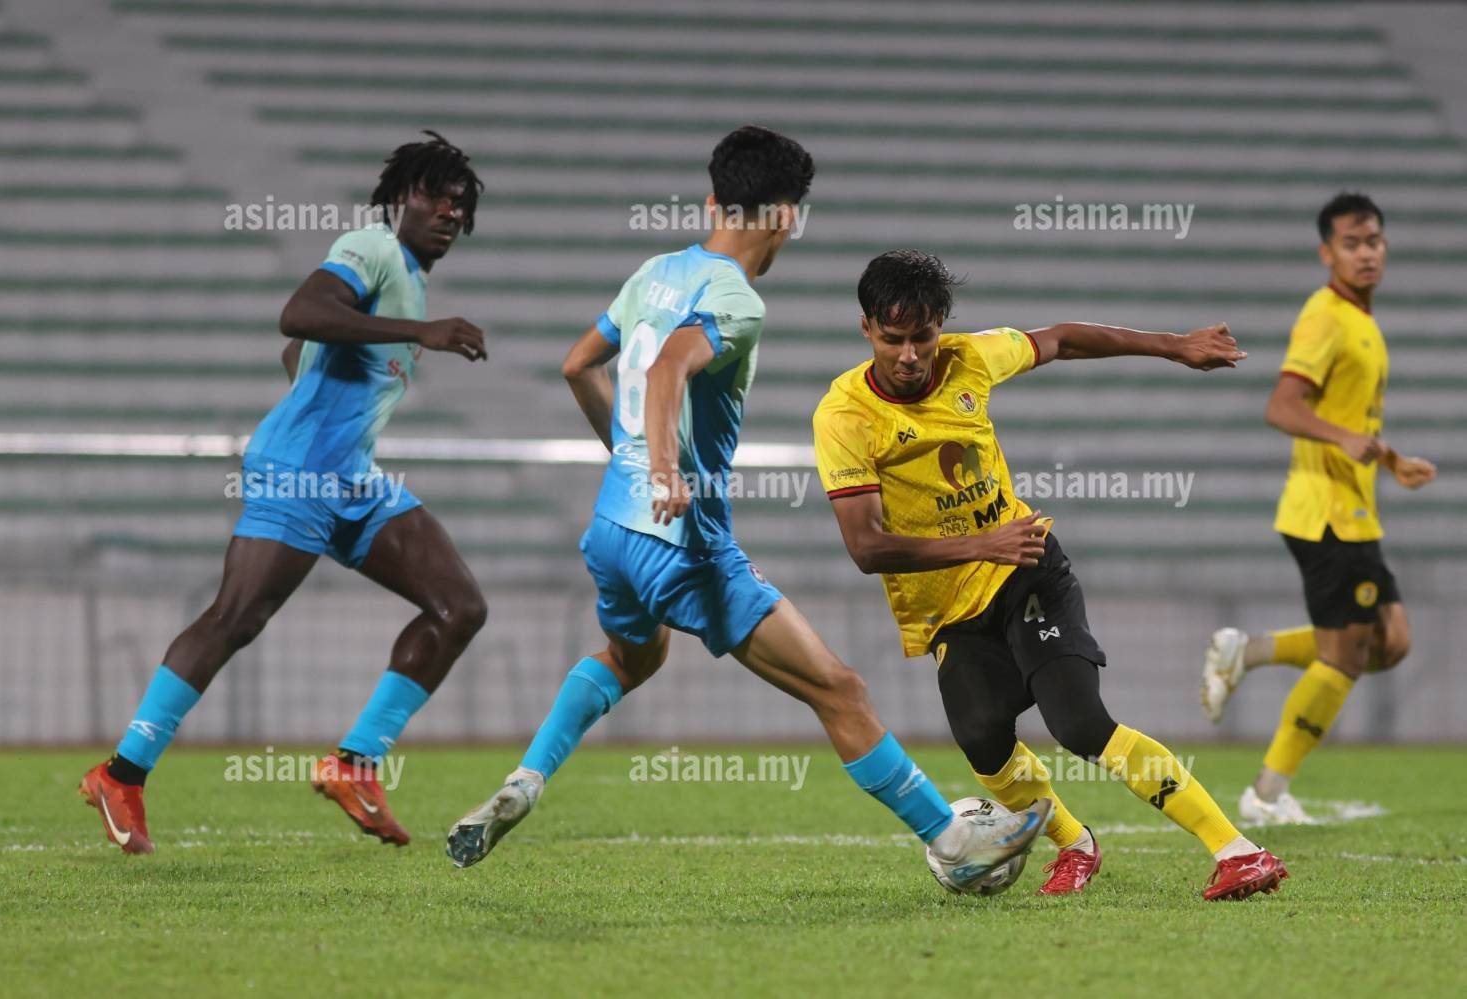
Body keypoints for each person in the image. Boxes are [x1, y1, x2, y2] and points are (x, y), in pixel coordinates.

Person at [447, 128, 1048, 889]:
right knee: (839, 689)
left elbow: (578, 365)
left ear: (713, 202)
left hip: (610, 531)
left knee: (632, 657)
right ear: (788, 217)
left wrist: (632, 461)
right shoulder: (736, 300)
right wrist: (663, 470)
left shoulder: (655, 272)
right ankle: (957, 845)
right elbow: (668, 367)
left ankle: (527, 779)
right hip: (682, 543)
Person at [812, 249, 1286, 900]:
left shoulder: (971, 359)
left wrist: (1174, 346)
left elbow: (1062, 339)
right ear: (867, 328)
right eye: (893, 338)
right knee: (983, 742)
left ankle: (1238, 850)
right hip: (950, 607)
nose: (910, 355)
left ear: (942, 326)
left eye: (923, 336)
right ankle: (1076, 845)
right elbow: (867, 547)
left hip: (1025, 567)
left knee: (1081, 724)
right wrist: (981, 542)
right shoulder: (844, 416)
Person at [80, 132, 492, 853]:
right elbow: (299, 315)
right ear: (401, 198)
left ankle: (354, 763)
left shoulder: (408, 276)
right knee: (236, 617)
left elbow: (297, 353)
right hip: (300, 470)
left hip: (353, 477)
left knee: (460, 607)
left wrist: (325, 389)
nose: (449, 212)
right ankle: (122, 774)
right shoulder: (371, 248)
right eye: (436, 196)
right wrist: (419, 333)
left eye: (460, 204)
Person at [1199, 192, 1436, 824]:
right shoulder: (1326, 316)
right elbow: (1282, 406)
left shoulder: (1363, 321)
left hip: (1354, 509)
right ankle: (1266, 794)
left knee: (1392, 643)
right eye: (1351, 244)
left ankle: (1247, 652)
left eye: (1373, 241)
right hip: (1326, 513)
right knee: (1344, 657)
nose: (1366, 253)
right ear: (1327, 253)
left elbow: (1351, 420)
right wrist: (1343, 441)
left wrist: (1391, 460)